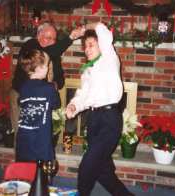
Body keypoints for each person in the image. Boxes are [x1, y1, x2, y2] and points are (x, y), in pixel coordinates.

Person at [66, 22, 135, 196]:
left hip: (109, 119)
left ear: (101, 45)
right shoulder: (87, 70)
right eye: (85, 46)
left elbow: (100, 27)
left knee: (88, 164)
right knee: (103, 171)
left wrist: (83, 30)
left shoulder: (109, 58)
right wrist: (74, 105)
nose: (86, 49)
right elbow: (82, 95)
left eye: (91, 45)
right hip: (94, 119)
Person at [10, 22, 84, 146]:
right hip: (20, 97)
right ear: (38, 36)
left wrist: (55, 84)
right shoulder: (31, 46)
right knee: (23, 138)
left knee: (40, 137)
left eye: (54, 39)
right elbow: (45, 54)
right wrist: (70, 37)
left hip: (42, 99)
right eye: (48, 38)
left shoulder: (54, 54)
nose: (52, 42)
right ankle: (22, 164)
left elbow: (60, 79)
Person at [16, 49, 60, 162]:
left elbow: (20, 102)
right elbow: (56, 105)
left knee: (25, 171)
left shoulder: (23, 87)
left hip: (24, 138)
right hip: (41, 141)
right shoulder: (49, 88)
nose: (48, 67)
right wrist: (52, 84)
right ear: (39, 68)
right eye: (46, 65)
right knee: (43, 174)